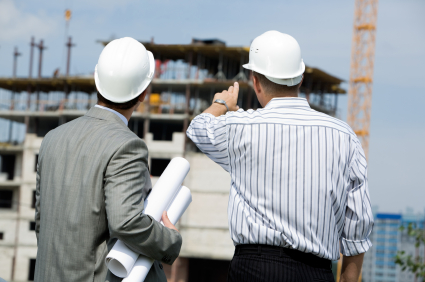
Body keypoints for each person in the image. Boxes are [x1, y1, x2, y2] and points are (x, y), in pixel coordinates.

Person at [187, 31, 373, 282]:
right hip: (316, 272)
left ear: (255, 81)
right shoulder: (344, 136)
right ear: (300, 78)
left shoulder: (240, 127)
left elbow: (198, 127)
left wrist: (222, 102)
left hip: (253, 270)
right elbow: (357, 229)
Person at [34, 37, 182, 282]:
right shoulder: (127, 145)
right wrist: (170, 239)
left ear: (96, 81)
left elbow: (42, 222)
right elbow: (126, 222)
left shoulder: (52, 138)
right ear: (144, 93)